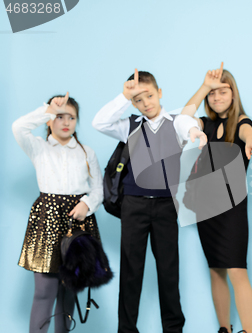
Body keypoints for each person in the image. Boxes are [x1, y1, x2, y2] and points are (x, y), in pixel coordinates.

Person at [92, 69, 206, 333]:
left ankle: (173, 328)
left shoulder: (176, 120)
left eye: (150, 96)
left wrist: (195, 132)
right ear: (133, 102)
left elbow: (189, 124)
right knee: (131, 271)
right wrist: (124, 95)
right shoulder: (129, 126)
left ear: (160, 93)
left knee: (168, 271)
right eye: (139, 99)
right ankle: (127, 329)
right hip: (133, 205)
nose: (146, 103)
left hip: (166, 206)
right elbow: (100, 122)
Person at [182, 62, 252, 333]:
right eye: (211, 94)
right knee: (215, 269)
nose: (216, 98)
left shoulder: (241, 122)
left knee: (237, 270)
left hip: (232, 207)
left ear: (233, 94)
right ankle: (224, 329)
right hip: (205, 207)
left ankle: (249, 331)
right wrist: (204, 84)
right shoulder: (203, 124)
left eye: (222, 92)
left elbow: (248, 133)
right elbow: (183, 116)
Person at [13, 93, 103, 333]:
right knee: (44, 291)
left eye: (71, 117)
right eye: (59, 116)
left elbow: (98, 190)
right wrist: (47, 109)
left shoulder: (86, 152)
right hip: (47, 220)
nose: (65, 122)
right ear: (49, 120)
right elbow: (18, 127)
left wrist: (87, 204)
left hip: (78, 221)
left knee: (70, 289)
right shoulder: (38, 147)